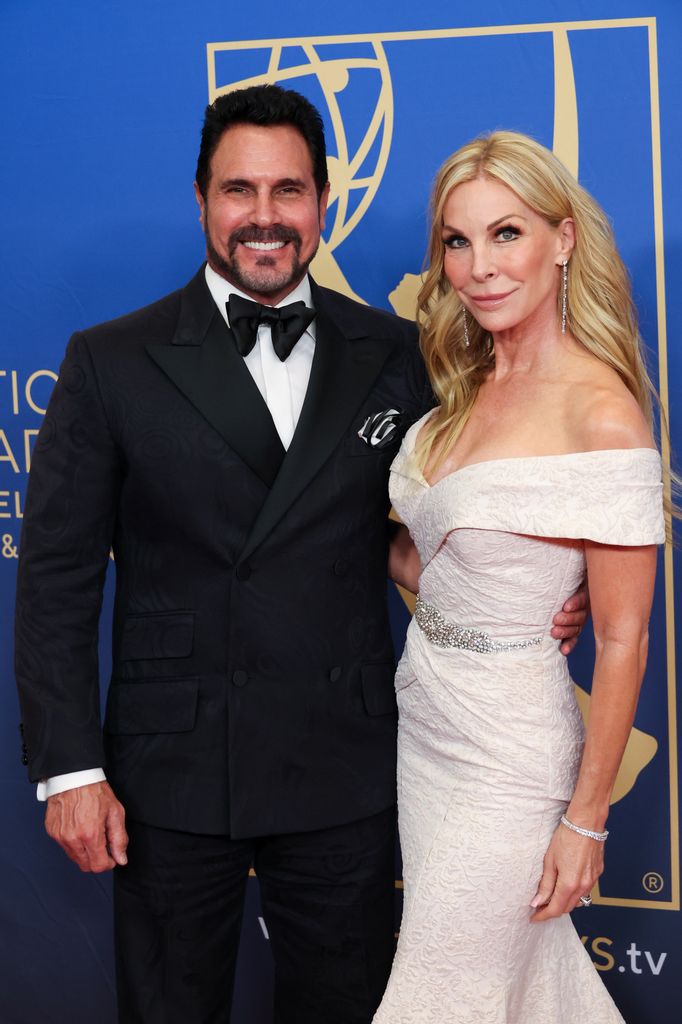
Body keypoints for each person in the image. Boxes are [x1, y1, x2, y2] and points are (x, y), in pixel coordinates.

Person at [14, 89, 586, 1024]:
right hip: (172, 765)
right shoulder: (111, 361)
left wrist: (545, 589)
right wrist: (71, 770)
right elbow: (57, 580)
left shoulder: (400, 354)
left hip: (344, 759)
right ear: (200, 199)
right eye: (239, 189)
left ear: (324, 202)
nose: (265, 216)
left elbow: (441, 518)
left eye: (289, 189)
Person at [376, 130, 666, 1023]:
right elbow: (420, 559)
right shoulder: (456, 389)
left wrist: (585, 822)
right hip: (424, 725)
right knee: (521, 993)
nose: (479, 266)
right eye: (457, 242)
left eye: (506, 233)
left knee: (439, 997)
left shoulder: (602, 414)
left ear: (563, 238)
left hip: (511, 754)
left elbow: (622, 635)